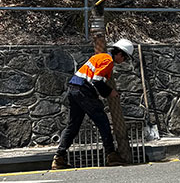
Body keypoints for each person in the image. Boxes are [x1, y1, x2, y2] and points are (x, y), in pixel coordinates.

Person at [51, 39, 134, 170]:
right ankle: (111, 155)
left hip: (74, 88)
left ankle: (59, 157)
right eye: (125, 58)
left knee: (73, 125)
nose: (124, 61)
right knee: (103, 121)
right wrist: (109, 92)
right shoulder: (108, 61)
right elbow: (97, 81)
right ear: (120, 54)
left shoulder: (100, 57)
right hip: (84, 90)